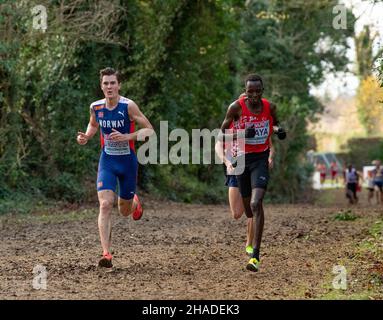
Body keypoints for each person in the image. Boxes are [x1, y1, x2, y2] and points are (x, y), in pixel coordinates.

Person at [77, 67, 154, 268]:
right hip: (108, 161)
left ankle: (134, 204)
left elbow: (149, 130)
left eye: (113, 83)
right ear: (101, 86)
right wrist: (87, 136)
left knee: (124, 211)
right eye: (106, 83)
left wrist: (127, 137)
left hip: (127, 162)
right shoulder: (96, 107)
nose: (109, 86)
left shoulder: (128, 106)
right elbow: (93, 125)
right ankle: (106, 253)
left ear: (118, 85)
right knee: (105, 204)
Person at [219, 74, 286, 272]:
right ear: (245, 91)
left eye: (258, 91)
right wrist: (241, 134)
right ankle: (252, 242)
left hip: (260, 160)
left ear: (262, 91)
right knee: (248, 210)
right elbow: (221, 133)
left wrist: (279, 130)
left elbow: (274, 124)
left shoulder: (269, 107)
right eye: (250, 92)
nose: (254, 95)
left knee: (257, 203)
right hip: (241, 160)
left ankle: (255, 256)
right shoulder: (236, 107)